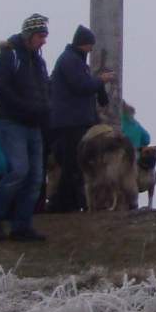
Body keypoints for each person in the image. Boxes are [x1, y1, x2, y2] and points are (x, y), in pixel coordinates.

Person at [0, 14, 53, 242]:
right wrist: (26, 109)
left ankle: (21, 225)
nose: (44, 41)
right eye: (41, 36)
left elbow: (44, 89)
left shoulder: (38, 61)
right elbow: (1, 88)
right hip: (12, 122)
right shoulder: (9, 55)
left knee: (35, 177)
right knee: (18, 171)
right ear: (29, 35)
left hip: (35, 124)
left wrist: (45, 110)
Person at [48, 26, 112, 214]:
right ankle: (62, 204)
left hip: (74, 120)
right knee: (72, 163)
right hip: (71, 122)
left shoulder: (73, 60)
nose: (91, 49)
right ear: (84, 43)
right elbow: (81, 86)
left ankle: (71, 202)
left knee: (75, 163)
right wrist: (100, 81)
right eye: (90, 45)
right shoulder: (70, 61)